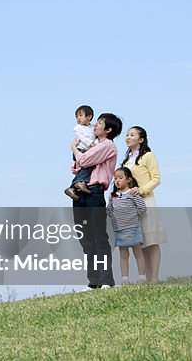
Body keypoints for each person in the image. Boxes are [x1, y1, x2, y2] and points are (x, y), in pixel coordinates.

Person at [70, 113, 122, 289]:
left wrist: (74, 149)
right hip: (80, 192)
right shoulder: (93, 144)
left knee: (99, 237)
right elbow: (75, 168)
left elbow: (83, 160)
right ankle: (93, 281)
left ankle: (106, 279)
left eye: (99, 123)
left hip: (94, 192)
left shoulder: (108, 145)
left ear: (108, 129)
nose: (95, 126)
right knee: (85, 239)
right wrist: (79, 158)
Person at [120, 126, 166, 283]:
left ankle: (154, 278)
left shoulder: (148, 156)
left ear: (141, 140)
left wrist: (141, 190)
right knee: (141, 241)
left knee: (151, 239)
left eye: (132, 135)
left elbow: (156, 178)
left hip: (146, 201)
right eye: (127, 135)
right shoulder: (126, 161)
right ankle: (146, 277)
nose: (127, 137)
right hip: (130, 205)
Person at [107, 167, 147, 285]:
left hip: (133, 228)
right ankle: (125, 279)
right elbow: (109, 211)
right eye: (115, 179)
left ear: (128, 179)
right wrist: (110, 201)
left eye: (120, 178)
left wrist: (133, 217)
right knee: (123, 254)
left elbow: (142, 208)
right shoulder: (113, 197)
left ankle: (142, 277)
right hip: (119, 230)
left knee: (138, 253)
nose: (117, 181)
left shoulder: (132, 193)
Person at [64, 104, 96, 201]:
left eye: (80, 116)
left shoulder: (93, 128)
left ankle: (72, 188)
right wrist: (91, 143)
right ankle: (80, 183)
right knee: (88, 166)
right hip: (80, 150)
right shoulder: (77, 128)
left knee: (84, 170)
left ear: (89, 117)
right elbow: (82, 138)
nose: (78, 118)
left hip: (86, 151)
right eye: (76, 116)